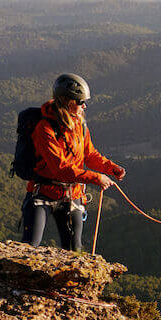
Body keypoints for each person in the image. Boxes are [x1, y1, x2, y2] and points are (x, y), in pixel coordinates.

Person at [19, 73, 125, 251]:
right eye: (79, 102)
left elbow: (89, 154)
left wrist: (111, 168)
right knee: (30, 247)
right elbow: (60, 169)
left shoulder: (80, 125)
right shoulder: (44, 128)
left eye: (84, 101)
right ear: (66, 101)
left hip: (72, 194)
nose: (84, 106)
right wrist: (96, 178)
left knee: (74, 250)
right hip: (43, 192)